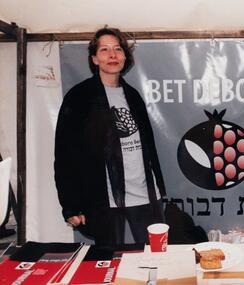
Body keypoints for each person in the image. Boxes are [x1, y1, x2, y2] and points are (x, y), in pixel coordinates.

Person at [54, 27, 166, 246]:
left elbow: (147, 149)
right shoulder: (79, 98)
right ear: (94, 59)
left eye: (117, 49)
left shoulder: (132, 96)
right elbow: (65, 156)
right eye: (104, 50)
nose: (112, 55)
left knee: (154, 259)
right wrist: (70, 205)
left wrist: (158, 188)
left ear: (125, 56)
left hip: (143, 194)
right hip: (102, 199)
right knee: (107, 265)